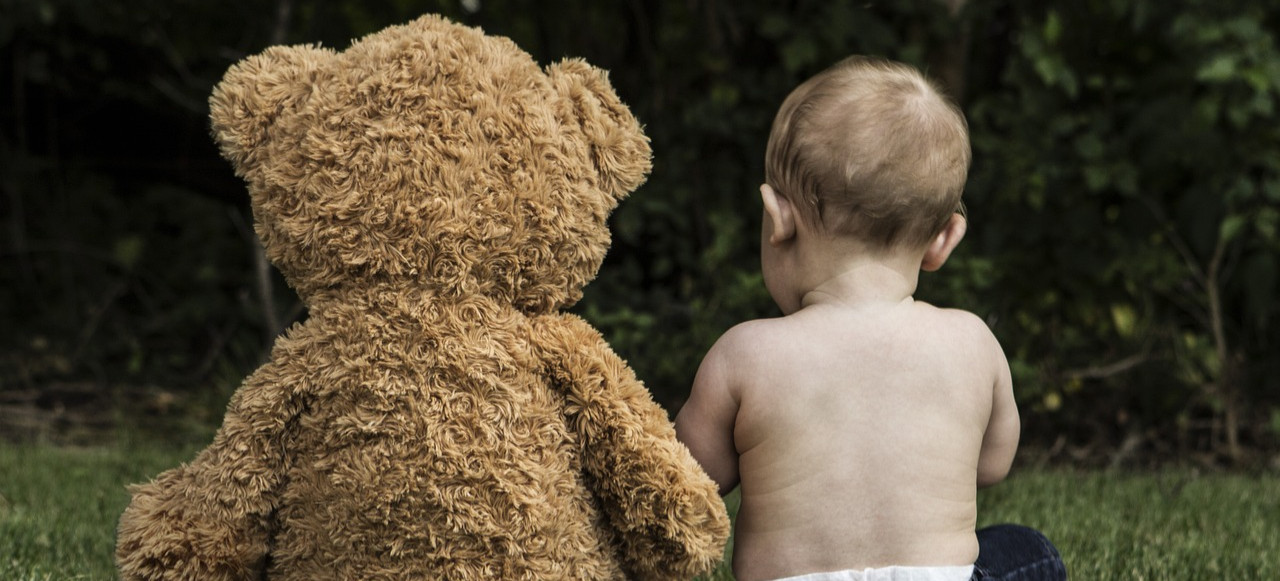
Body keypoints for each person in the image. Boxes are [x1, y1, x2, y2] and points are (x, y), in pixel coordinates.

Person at [674, 56, 1067, 581]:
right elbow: (993, 465)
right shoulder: (971, 341)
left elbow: (682, 482)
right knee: (1025, 548)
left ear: (778, 218)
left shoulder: (743, 354)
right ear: (944, 240)